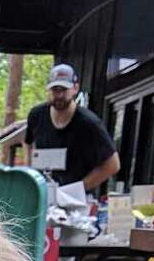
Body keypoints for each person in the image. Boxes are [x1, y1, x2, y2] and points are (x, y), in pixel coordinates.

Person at [24, 63, 120, 216]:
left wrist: (78, 188)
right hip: (43, 197)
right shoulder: (37, 115)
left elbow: (113, 164)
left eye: (64, 89)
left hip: (77, 202)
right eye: (55, 90)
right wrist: (30, 173)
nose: (59, 95)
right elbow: (28, 143)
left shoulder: (89, 123)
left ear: (75, 88)